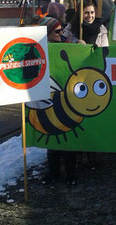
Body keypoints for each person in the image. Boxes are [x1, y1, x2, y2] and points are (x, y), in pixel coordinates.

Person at [39, 16, 78, 185]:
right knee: (52, 134)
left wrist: (81, 48)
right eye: (56, 31)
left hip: (67, 96)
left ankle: (71, 173)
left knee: (69, 134)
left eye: (61, 29)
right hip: (47, 96)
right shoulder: (39, 48)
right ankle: (53, 171)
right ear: (46, 33)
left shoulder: (66, 44)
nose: (60, 33)